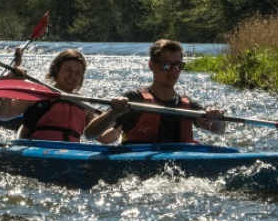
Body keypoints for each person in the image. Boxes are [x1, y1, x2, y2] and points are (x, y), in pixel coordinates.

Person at [86, 39, 225, 144]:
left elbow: (218, 130)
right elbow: (91, 134)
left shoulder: (188, 105)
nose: (173, 71)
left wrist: (216, 117)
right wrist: (114, 112)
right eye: (166, 65)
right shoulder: (133, 99)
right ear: (151, 66)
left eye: (178, 66)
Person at [0, 49, 123, 143]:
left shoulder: (83, 105)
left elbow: (104, 138)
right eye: (68, 70)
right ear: (57, 70)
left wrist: (118, 120)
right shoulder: (37, 94)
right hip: (36, 153)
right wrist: (11, 83)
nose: (72, 76)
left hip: (69, 157)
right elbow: (2, 115)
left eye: (78, 73)